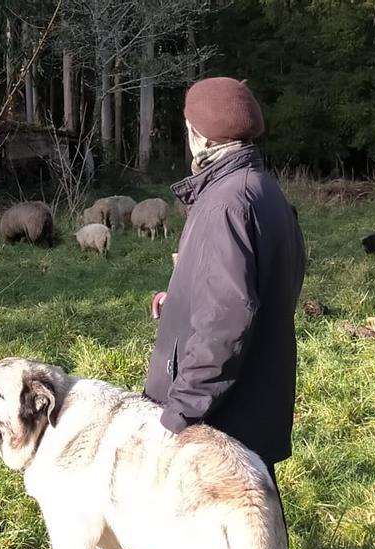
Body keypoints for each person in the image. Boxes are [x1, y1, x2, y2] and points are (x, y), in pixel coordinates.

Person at [144, 77, 305, 494]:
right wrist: (179, 297)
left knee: (215, 543)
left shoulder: (227, 203)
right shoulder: (262, 189)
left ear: (199, 134)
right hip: (254, 399)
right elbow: (269, 283)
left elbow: (226, 320)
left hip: (221, 416)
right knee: (254, 528)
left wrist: (180, 412)